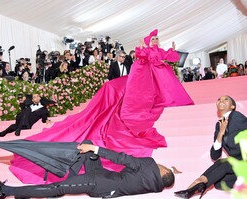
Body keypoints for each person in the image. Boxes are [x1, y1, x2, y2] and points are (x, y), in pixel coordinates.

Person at [10, 29, 194, 184]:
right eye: (153, 38)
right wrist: (143, 48)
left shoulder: (159, 51)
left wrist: (171, 50)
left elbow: (171, 57)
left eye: (156, 39)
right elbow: (140, 58)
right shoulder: (145, 51)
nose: (155, 40)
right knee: (112, 87)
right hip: (142, 80)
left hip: (154, 80)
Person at [0, 140, 177, 199]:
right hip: (105, 177)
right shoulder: (156, 184)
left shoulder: (149, 166)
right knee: (85, 146)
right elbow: (163, 174)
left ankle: (5, 191)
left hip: (99, 184)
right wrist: (174, 171)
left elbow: (122, 158)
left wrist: (97, 150)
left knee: (56, 189)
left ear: (162, 173)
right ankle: (65, 175)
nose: (162, 164)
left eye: (164, 167)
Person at [174, 95, 247, 198]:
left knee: (224, 163)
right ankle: (196, 187)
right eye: (219, 99)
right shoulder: (219, 126)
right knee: (218, 183)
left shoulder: (237, 117)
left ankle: (194, 187)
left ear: (233, 106)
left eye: (226, 99)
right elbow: (214, 155)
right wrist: (220, 134)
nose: (221, 100)